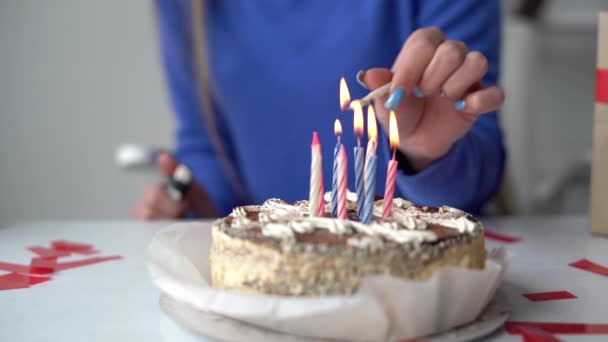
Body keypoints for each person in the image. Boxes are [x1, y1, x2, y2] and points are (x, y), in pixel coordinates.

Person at [132, 0, 505, 220]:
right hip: (266, 291)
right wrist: (194, 202)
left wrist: (427, 154)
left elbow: (481, 168)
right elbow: (208, 144)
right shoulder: (189, 8)